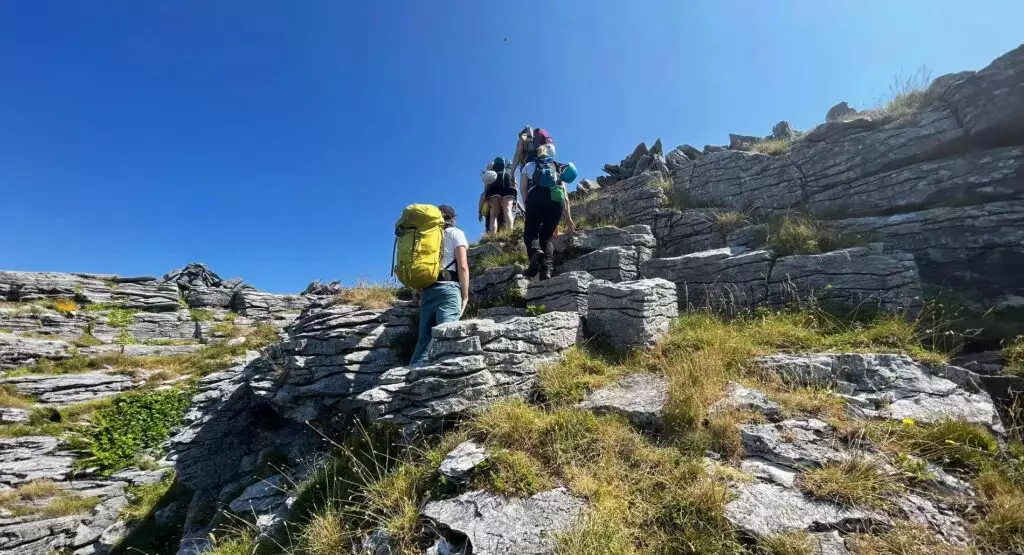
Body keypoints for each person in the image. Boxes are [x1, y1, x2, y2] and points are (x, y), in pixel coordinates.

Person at [410, 204, 470, 364]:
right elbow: (463, 266)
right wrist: (465, 295)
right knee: (448, 336)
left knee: (424, 341)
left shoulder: (426, 236)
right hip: (448, 289)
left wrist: (418, 288)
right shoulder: (455, 233)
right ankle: (447, 374)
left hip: (427, 289)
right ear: (453, 219)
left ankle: (414, 373)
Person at [520, 143, 576, 280]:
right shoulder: (558, 167)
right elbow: (565, 195)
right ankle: (546, 271)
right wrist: (568, 219)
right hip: (556, 200)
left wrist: (528, 205)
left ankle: (535, 253)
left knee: (531, 233)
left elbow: (523, 188)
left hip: (536, 197)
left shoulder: (529, 165)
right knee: (547, 237)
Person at [479, 156, 517, 234]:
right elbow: (514, 182)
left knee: (493, 215)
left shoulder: (491, 170)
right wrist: (515, 195)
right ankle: (510, 233)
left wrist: (485, 194)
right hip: (508, 188)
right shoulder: (508, 170)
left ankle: (493, 235)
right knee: (508, 211)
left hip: (494, 189)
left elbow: (486, 185)